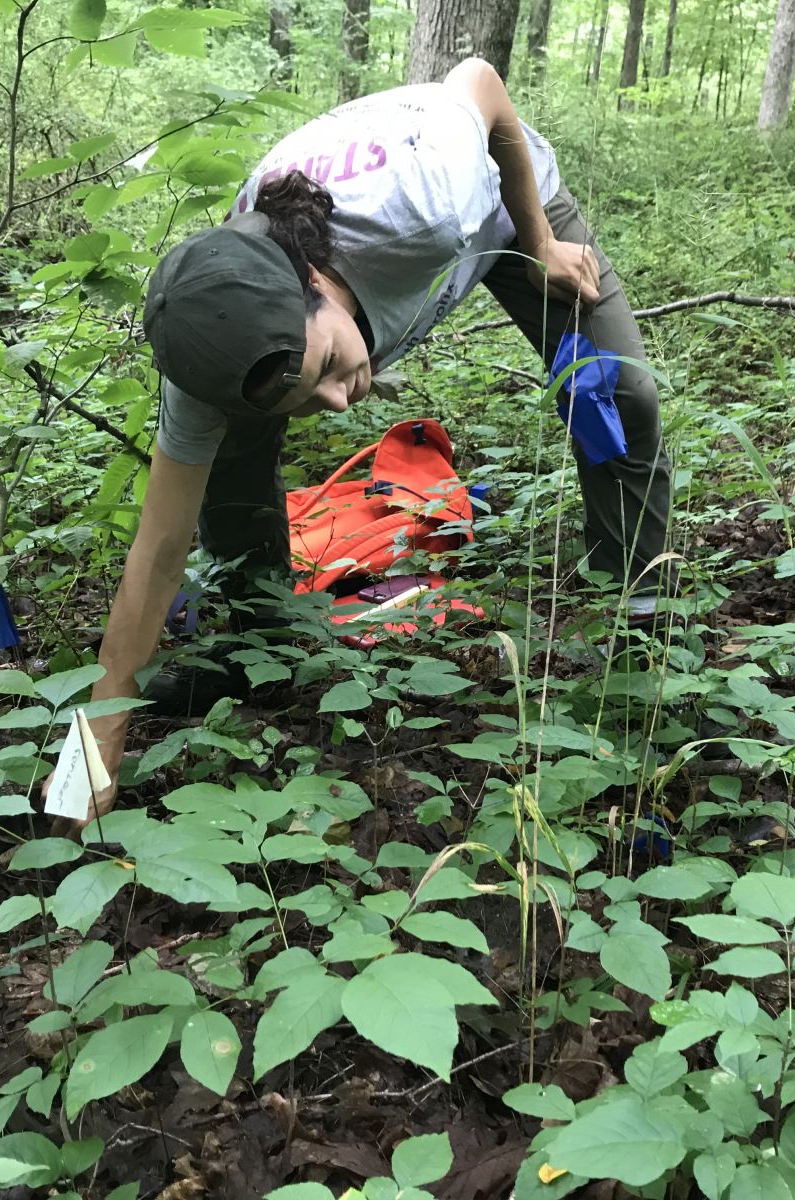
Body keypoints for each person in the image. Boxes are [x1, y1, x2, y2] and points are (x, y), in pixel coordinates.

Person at [69, 58, 671, 822]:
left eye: (324, 366)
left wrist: (544, 239)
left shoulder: (425, 201)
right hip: (346, 274)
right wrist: (100, 740)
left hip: (505, 205)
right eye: (306, 396)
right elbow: (156, 550)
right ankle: (267, 640)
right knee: (230, 453)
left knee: (620, 394)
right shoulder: (210, 342)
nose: (334, 401)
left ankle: (638, 617)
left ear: (314, 282)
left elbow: (480, 83)